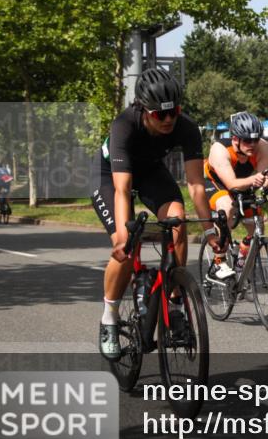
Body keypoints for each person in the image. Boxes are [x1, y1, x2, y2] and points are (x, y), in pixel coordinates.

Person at [91, 69, 219, 359]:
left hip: (149, 171)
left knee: (178, 219)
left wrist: (210, 231)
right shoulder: (123, 125)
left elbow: (197, 185)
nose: (168, 120)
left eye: (173, 112)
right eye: (159, 115)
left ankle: (174, 305)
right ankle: (109, 316)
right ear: (143, 110)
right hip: (109, 177)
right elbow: (122, 190)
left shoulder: (186, 128)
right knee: (127, 243)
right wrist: (125, 233)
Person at [203, 112, 268, 278]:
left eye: (255, 139)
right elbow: (231, 184)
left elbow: (263, 180)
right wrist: (256, 179)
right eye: (247, 140)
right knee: (226, 206)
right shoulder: (219, 150)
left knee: (257, 226)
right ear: (235, 139)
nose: (252, 144)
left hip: (244, 181)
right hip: (216, 183)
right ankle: (219, 261)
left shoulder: (262, 147)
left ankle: (241, 261)